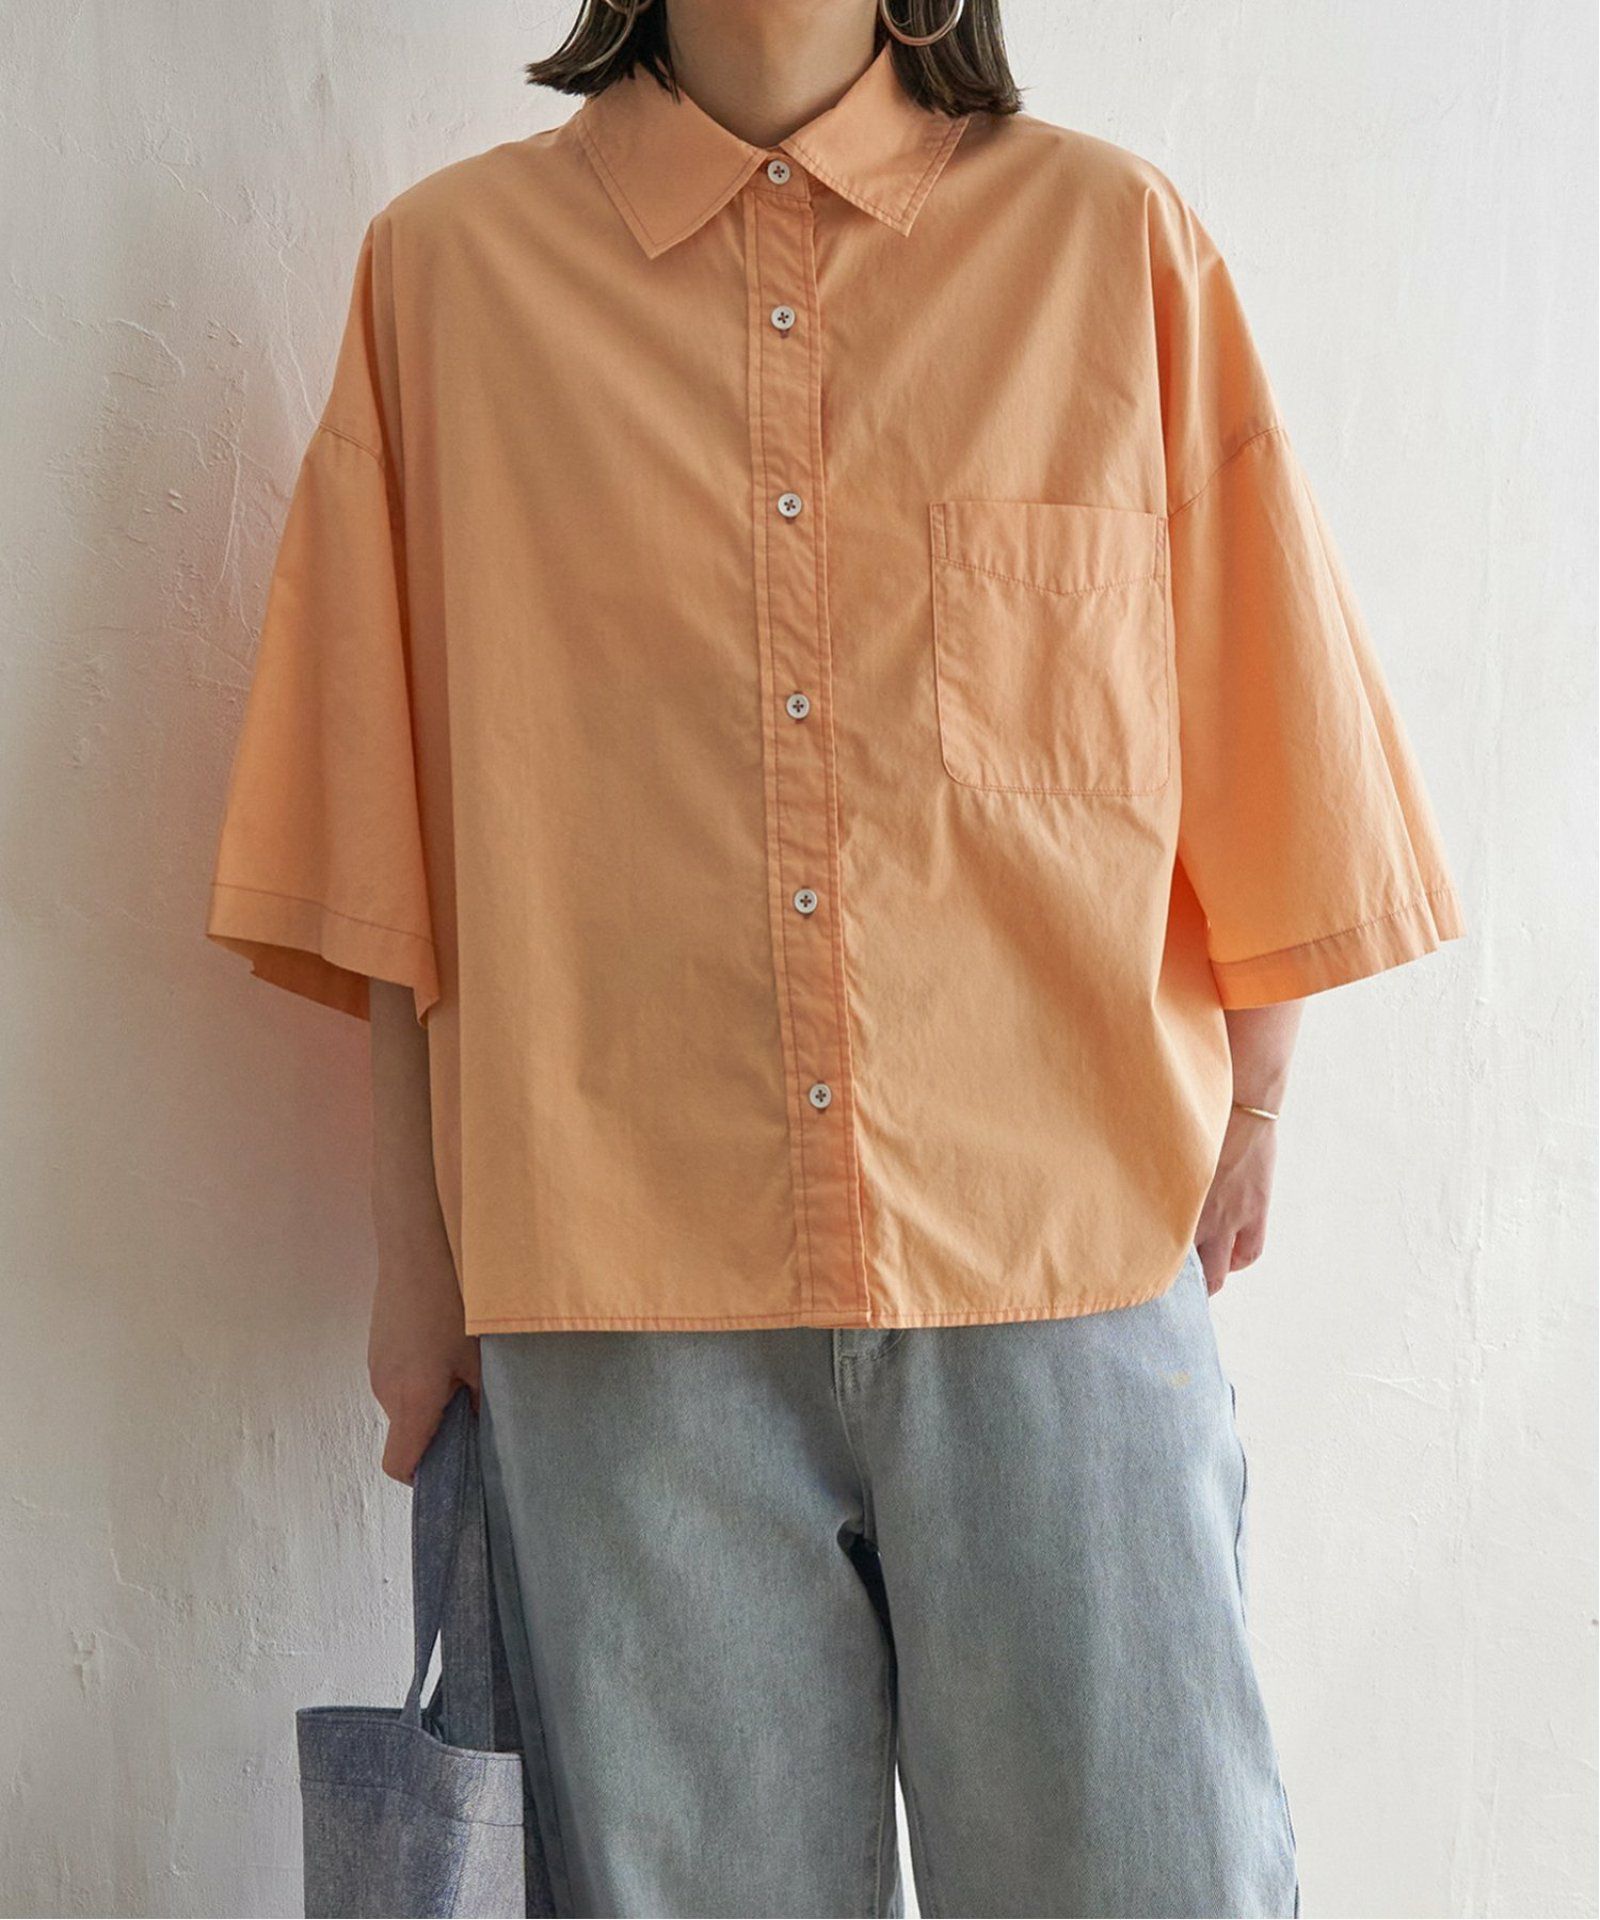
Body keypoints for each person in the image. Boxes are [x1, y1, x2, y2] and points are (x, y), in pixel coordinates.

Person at [205, 1, 1464, 1913]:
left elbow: (1259, 708)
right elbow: (386, 850)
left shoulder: (1108, 243)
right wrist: (416, 1260)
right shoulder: (448, 279)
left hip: (1062, 1268)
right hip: (625, 1311)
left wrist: (1264, 1097)